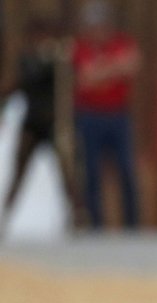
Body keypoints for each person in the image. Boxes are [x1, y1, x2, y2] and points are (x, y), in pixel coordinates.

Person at [0, 18, 75, 230]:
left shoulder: (58, 60)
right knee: (19, 173)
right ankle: (5, 216)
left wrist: (59, 59)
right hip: (33, 124)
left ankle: (76, 218)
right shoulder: (27, 60)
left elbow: (66, 82)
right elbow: (26, 81)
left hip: (54, 123)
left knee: (67, 174)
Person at [72, 0, 141, 229]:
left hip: (118, 116)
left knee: (126, 169)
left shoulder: (122, 42)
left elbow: (131, 66)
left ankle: (132, 225)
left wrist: (101, 71)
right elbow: (85, 79)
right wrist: (113, 68)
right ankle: (96, 226)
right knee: (91, 171)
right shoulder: (81, 48)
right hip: (90, 116)